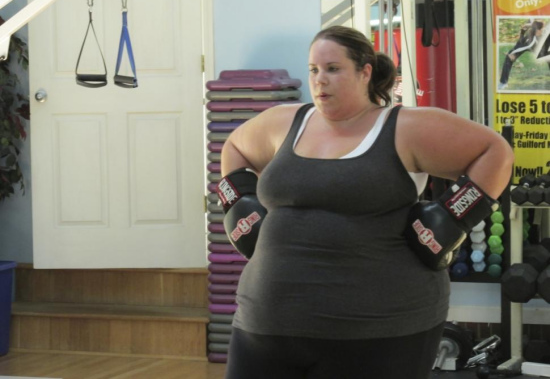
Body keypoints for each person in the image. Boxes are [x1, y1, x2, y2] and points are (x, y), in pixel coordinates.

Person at [218, 25, 514, 379]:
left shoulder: (402, 127)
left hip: (378, 330)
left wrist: (453, 217)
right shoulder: (285, 122)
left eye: (333, 69)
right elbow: (234, 146)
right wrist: (239, 207)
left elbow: (494, 151)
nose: (319, 80)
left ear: (365, 72)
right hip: (266, 325)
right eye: (313, 69)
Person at [498, 19, 544, 90]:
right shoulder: (530, 38)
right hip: (527, 43)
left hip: (537, 47)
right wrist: (512, 53)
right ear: (537, 30)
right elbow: (521, 46)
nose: (542, 31)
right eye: (541, 30)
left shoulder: (536, 34)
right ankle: (503, 82)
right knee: (509, 58)